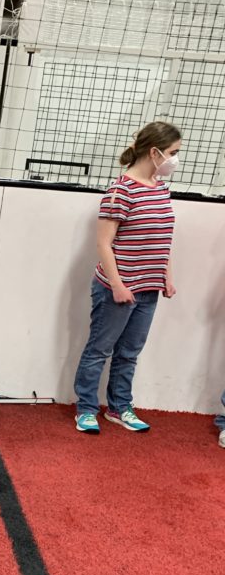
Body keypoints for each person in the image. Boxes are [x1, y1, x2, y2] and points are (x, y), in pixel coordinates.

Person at [73, 121, 182, 434]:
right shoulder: (120, 191)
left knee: (129, 353)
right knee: (99, 350)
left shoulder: (161, 188)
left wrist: (166, 276)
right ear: (154, 152)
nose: (176, 159)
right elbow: (103, 244)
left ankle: (120, 407)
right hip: (117, 290)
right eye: (173, 152)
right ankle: (86, 409)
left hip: (149, 290)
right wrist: (118, 285)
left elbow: (161, 237)